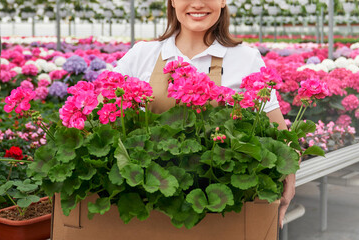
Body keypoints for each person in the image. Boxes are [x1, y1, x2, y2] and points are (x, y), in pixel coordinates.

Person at [113, 0, 295, 228]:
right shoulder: (142, 54)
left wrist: (290, 172)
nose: (197, 4)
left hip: (220, 216)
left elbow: (279, 134)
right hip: (147, 201)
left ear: (222, 1)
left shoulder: (246, 58)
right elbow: (101, 104)